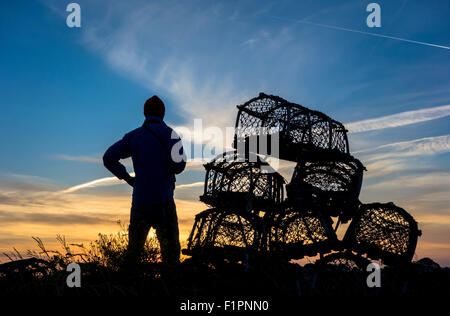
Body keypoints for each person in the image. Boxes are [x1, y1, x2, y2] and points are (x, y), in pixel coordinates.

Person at [103, 95, 186, 265]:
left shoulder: (134, 136)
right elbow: (179, 167)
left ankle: (127, 289)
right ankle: (170, 289)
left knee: (133, 254)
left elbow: (108, 157)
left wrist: (127, 177)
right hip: (164, 201)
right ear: (163, 113)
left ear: (145, 113)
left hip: (141, 202)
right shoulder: (171, 134)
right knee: (171, 256)